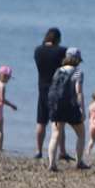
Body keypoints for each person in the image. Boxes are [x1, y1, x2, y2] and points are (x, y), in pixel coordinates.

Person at [46, 49, 87, 173]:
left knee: (55, 134)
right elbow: (78, 92)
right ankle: (79, 162)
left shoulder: (59, 70)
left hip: (56, 106)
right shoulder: (78, 72)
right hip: (71, 106)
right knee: (81, 134)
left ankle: (52, 164)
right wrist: (82, 110)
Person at [32, 28, 68, 161]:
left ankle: (38, 150)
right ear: (57, 39)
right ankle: (62, 151)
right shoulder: (61, 51)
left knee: (41, 121)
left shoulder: (38, 51)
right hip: (57, 89)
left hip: (42, 88)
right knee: (58, 122)